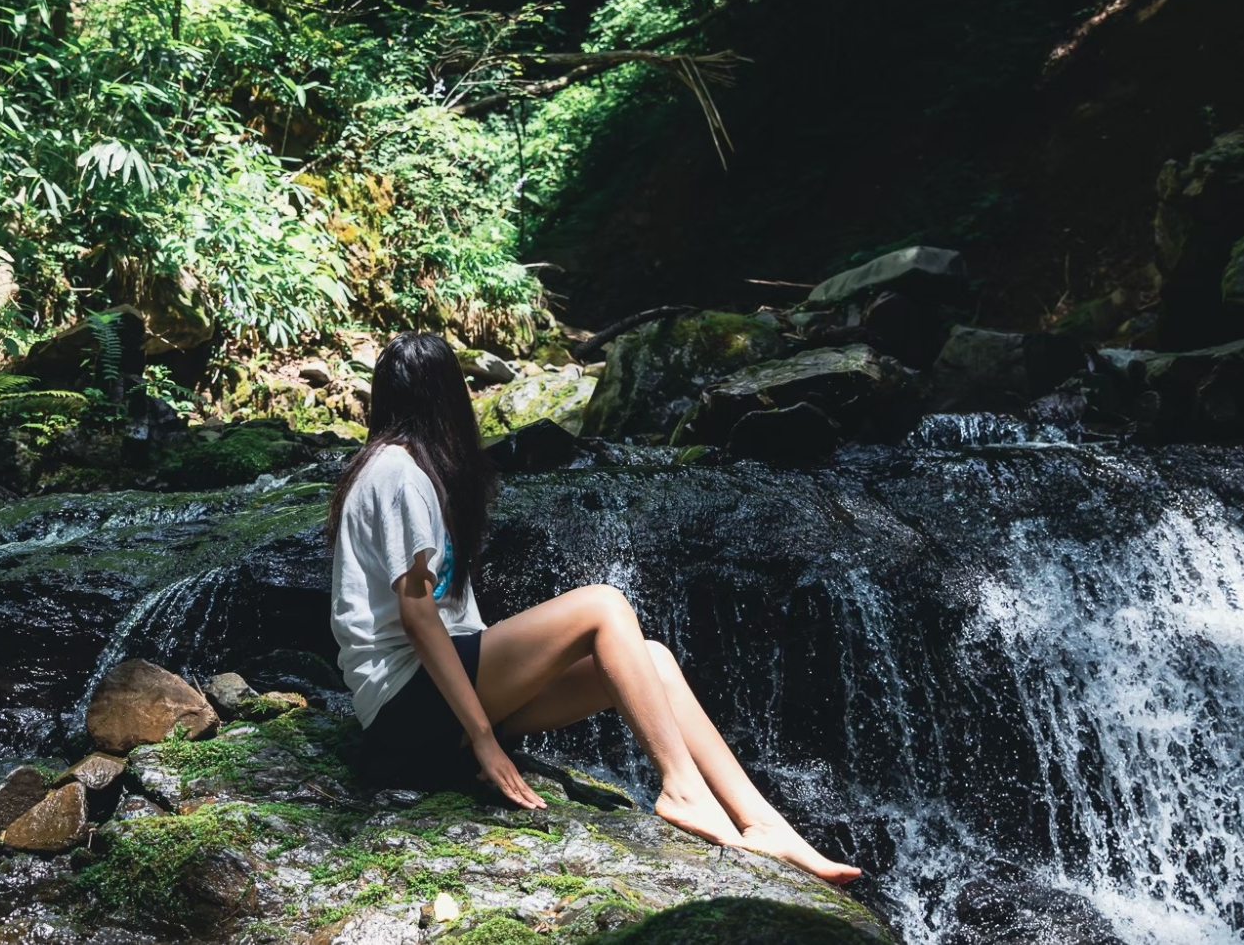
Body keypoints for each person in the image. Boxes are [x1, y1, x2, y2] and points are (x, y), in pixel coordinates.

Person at [327, 331, 861, 885]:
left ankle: (762, 822)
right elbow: (417, 616)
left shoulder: (412, 471)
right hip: (406, 710)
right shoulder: (395, 472)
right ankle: (681, 789)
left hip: (438, 712)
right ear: (449, 397)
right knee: (603, 606)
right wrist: (484, 738)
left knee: (648, 659)